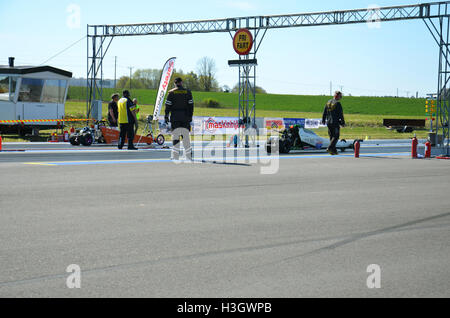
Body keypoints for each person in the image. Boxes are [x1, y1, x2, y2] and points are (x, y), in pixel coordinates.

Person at [165, 77, 194, 160]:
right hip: (185, 117)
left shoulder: (171, 93)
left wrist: (166, 116)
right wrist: (190, 116)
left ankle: (175, 155)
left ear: (175, 83)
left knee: (175, 136)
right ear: (181, 82)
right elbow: (191, 105)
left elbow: (168, 106)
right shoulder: (188, 92)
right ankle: (188, 155)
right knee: (185, 136)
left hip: (175, 117)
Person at [322, 91, 346, 155]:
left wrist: (323, 120)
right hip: (335, 123)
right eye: (340, 96)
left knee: (331, 136)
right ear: (337, 96)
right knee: (336, 136)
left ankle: (333, 151)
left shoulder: (328, 102)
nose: (341, 98)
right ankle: (330, 148)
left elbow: (324, 112)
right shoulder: (337, 103)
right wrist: (343, 122)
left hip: (329, 122)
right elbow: (341, 114)